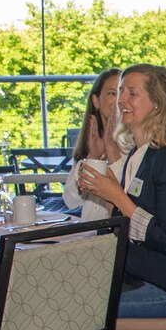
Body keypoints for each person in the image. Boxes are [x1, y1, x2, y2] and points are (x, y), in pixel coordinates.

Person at [77, 63, 166, 319]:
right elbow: (130, 224)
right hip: (141, 276)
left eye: (131, 94)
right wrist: (108, 195)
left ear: (157, 102)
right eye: (119, 92)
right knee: (67, 288)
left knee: (78, 310)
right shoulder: (142, 154)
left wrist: (117, 197)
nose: (121, 100)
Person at [61, 68, 128, 221]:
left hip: (119, 235)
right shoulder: (92, 143)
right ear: (96, 101)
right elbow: (71, 201)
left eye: (123, 93)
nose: (120, 100)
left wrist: (112, 149)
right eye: (112, 93)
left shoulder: (137, 144)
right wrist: (93, 158)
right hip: (92, 234)